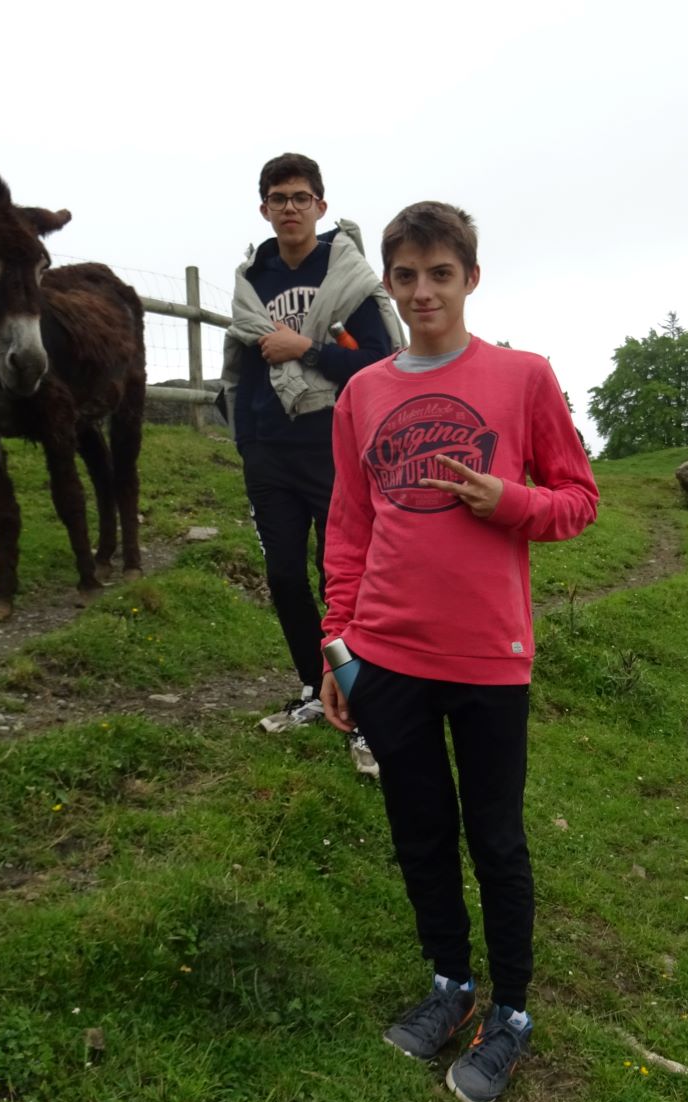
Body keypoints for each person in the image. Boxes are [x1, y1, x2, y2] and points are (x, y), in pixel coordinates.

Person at [319, 201, 599, 1102]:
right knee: (421, 832)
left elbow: (578, 499)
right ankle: (450, 983)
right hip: (386, 654)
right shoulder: (362, 393)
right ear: (388, 284)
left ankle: (511, 1011)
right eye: (406, 276)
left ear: (471, 279)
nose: (423, 291)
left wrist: (508, 502)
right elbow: (350, 524)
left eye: (440, 273)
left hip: (488, 656)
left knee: (497, 837)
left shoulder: (523, 378)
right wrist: (337, 644)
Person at [221, 153, 403, 775]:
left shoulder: (348, 277)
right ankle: (310, 687)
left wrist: (309, 349)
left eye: (301, 197)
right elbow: (243, 366)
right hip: (268, 453)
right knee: (285, 579)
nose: (290, 207)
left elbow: (379, 366)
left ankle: (360, 711)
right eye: (278, 197)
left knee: (342, 586)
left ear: (321, 206)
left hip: (337, 450)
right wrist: (246, 439)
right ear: (264, 208)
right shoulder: (254, 279)